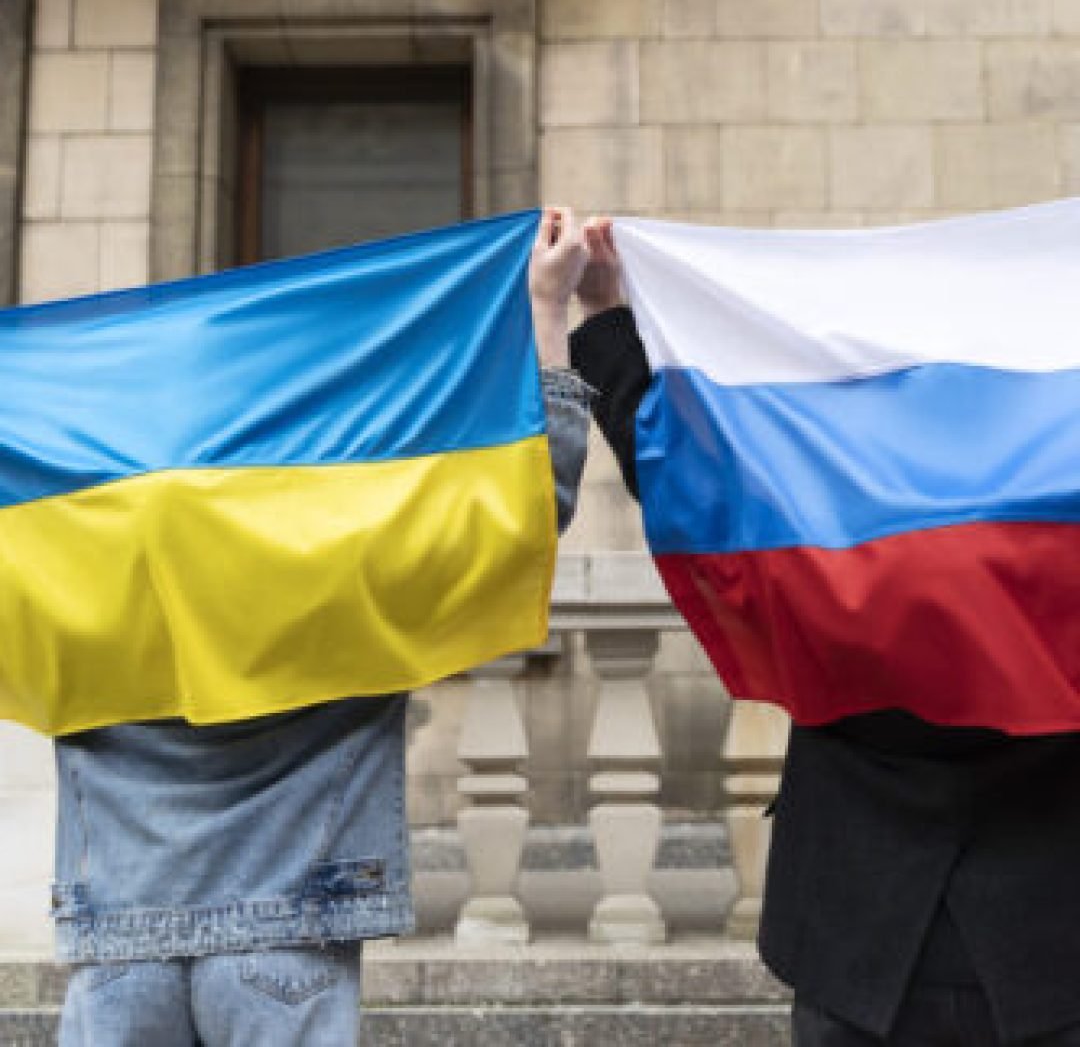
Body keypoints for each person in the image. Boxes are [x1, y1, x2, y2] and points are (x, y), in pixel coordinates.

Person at [54, 207, 593, 1047]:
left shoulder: (80, 545)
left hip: (122, 942)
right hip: (288, 939)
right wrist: (547, 312)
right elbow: (529, 507)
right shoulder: (347, 548)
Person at [569, 216, 1080, 1047]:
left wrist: (601, 311)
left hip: (854, 937)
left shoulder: (812, 516)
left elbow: (680, 474)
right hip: (1047, 938)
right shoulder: (1058, 501)